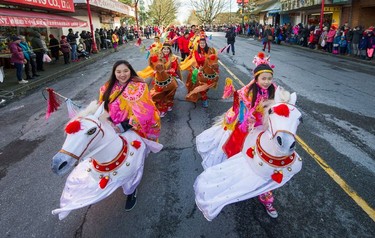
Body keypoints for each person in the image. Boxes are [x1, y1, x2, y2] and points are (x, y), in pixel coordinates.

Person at [196, 52, 279, 217]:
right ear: (256, 79)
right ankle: (240, 182)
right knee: (244, 158)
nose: (267, 82)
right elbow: (241, 108)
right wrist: (245, 121)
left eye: (269, 78)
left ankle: (266, 196)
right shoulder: (248, 92)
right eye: (263, 78)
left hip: (266, 130)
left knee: (268, 162)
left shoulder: (275, 90)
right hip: (248, 129)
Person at [99, 60, 161, 142]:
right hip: (113, 130)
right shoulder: (106, 88)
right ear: (114, 73)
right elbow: (102, 107)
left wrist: (124, 126)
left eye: (125, 71)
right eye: (118, 72)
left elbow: (146, 111)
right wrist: (109, 124)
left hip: (135, 130)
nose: (122, 75)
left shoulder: (140, 86)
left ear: (130, 71)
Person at [185, 37, 217, 108]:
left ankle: (205, 91)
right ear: (199, 44)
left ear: (206, 44)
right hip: (199, 68)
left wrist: (211, 57)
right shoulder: (196, 51)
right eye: (201, 43)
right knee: (194, 78)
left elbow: (213, 58)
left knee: (215, 76)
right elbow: (198, 60)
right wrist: (207, 58)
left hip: (208, 68)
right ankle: (204, 99)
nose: (202, 44)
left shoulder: (209, 50)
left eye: (204, 43)